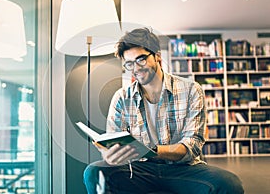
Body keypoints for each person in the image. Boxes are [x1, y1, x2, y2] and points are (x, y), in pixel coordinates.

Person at [83, 27, 244, 194]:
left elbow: (192, 145)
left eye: (141, 59)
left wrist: (152, 151)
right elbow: (113, 140)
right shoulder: (122, 97)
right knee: (94, 172)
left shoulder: (191, 90)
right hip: (138, 170)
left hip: (183, 170)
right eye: (129, 63)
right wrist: (109, 155)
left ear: (157, 56)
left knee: (229, 184)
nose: (136, 68)